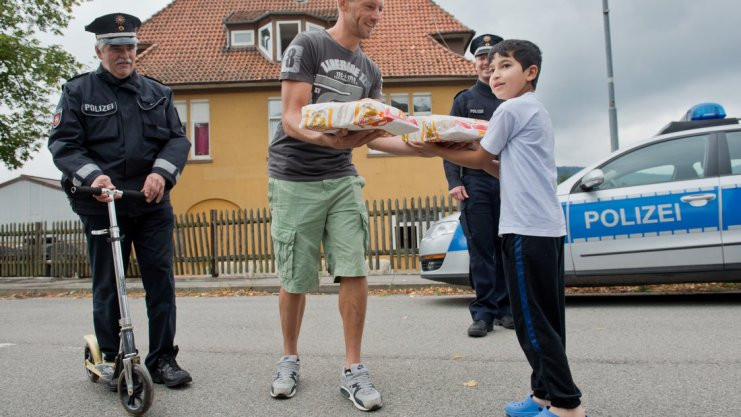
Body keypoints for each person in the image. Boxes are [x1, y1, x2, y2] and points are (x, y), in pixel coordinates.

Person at [267, 0, 426, 411]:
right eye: (370, 6)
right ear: (343, 3)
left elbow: (375, 135)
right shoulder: (308, 45)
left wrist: (419, 149)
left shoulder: (371, 71)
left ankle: (353, 368)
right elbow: (291, 116)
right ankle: (289, 358)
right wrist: (328, 140)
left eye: (381, 9)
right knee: (296, 277)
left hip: (342, 176)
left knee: (354, 265)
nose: (376, 15)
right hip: (294, 176)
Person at [417, 40, 587, 417]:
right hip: (544, 229)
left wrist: (432, 146)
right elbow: (498, 167)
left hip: (526, 231)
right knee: (546, 321)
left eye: (505, 66)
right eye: (491, 69)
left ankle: (566, 407)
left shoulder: (512, 109)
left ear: (531, 73)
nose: (495, 75)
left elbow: (479, 157)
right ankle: (543, 395)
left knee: (532, 325)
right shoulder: (533, 110)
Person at [48, 13, 192, 390]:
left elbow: (177, 140)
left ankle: (162, 359)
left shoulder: (157, 93)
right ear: (99, 50)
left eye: (129, 47)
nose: (123, 54)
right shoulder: (78, 92)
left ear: (136, 50)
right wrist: (93, 175)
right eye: (114, 47)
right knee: (109, 283)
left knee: (160, 282)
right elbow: (63, 144)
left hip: (150, 203)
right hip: (101, 202)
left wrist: (161, 173)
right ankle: (112, 357)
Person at [444, 33, 513, 337]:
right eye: (482, 57)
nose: (487, 63)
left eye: (493, 57)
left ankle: (508, 309)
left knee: (508, 248)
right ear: (476, 62)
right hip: (476, 183)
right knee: (482, 248)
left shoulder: (510, 98)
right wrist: (454, 181)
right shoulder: (465, 100)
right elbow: (447, 144)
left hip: (510, 182)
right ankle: (484, 312)